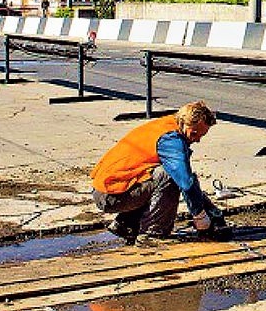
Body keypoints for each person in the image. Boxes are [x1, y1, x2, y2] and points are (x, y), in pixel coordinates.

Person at [91, 101, 227, 247]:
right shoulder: (171, 140)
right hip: (111, 194)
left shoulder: (168, 124)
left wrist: (208, 208)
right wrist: (200, 217)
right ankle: (152, 234)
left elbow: (187, 182)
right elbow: (185, 182)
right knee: (167, 176)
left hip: (110, 188)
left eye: (201, 135)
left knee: (156, 177)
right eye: (194, 133)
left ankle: (126, 224)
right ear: (185, 123)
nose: (197, 140)